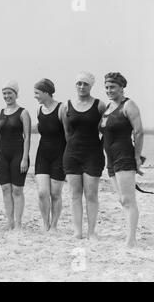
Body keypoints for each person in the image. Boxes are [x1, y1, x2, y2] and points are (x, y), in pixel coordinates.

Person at [99, 72, 144, 248]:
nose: (109, 90)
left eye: (113, 87)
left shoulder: (129, 105)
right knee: (121, 199)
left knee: (128, 199)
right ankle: (129, 234)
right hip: (110, 159)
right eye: (107, 87)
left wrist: (137, 157)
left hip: (125, 156)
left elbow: (138, 132)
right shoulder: (108, 107)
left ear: (122, 87)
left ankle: (131, 239)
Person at [62, 72, 106, 240]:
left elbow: (105, 130)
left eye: (85, 84)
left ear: (91, 86)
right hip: (72, 154)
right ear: (75, 85)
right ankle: (77, 231)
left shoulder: (99, 105)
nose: (81, 87)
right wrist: (73, 147)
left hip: (93, 154)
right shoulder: (67, 106)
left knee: (91, 194)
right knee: (74, 194)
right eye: (79, 83)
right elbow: (67, 132)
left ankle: (92, 231)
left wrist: (98, 148)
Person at [0, 80, 31, 231]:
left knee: (17, 190)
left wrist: (25, 158)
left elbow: (27, 137)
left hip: (19, 154)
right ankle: (10, 222)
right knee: (5, 189)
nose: (7, 96)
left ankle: (19, 223)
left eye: (10, 93)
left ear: (16, 94)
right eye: (5, 93)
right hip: (3, 154)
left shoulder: (23, 113)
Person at [33, 79, 66, 232]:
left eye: (37, 93)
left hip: (59, 155)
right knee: (42, 193)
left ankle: (54, 225)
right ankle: (45, 223)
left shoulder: (61, 109)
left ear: (46, 92)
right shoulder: (39, 110)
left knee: (55, 193)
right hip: (42, 154)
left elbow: (68, 135)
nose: (35, 96)